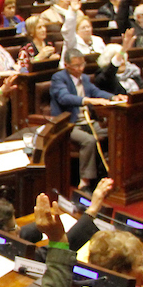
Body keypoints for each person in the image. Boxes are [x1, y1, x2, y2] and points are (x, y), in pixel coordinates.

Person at [50, 50, 124, 191]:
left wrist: (113, 97)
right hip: (68, 124)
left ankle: (111, 172)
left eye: (82, 64)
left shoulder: (84, 78)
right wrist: (87, 100)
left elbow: (96, 92)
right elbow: (64, 97)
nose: (80, 68)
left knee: (114, 132)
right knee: (89, 140)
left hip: (88, 121)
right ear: (66, 65)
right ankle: (85, 182)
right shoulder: (58, 78)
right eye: (76, 66)